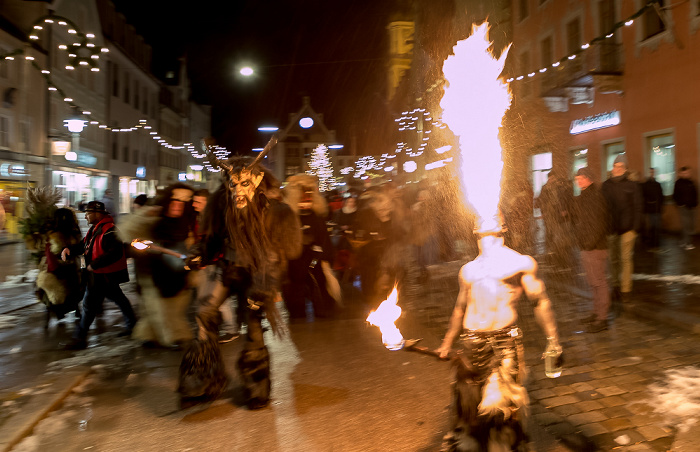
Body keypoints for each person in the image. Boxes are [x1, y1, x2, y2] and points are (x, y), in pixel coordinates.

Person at [178, 152, 302, 409]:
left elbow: (277, 257)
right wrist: (197, 254)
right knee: (204, 313)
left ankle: (256, 387)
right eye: (233, 184)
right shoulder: (222, 206)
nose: (238, 190)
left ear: (256, 181)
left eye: (244, 183)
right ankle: (201, 381)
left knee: (254, 329)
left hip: (258, 275)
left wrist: (263, 289)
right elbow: (210, 240)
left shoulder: (275, 212)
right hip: (229, 269)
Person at [436, 217, 561, 451]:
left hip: (504, 343)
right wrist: (446, 343)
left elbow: (540, 302)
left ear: (503, 228)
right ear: (475, 232)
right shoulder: (469, 270)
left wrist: (553, 340)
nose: (484, 236)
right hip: (471, 342)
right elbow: (460, 308)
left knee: (500, 409)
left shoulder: (519, 263)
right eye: (480, 232)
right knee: (468, 409)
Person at [119, 184, 196, 349]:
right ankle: (165, 336)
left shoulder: (185, 224)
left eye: (181, 204)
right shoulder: (153, 219)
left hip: (176, 272)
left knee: (173, 308)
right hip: (153, 271)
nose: (177, 207)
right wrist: (146, 214)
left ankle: (159, 334)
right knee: (156, 307)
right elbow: (127, 231)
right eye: (174, 203)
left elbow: (189, 245)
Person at [61, 201, 137, 350]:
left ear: (98, 214)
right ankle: (133, 325)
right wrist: (69, 249)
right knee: (119, 299)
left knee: (89, 306)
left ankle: (80, 339)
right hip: (100, 275)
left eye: (88, 213)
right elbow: (84, 245)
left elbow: (114, 253)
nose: (86, 216)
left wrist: (95, 264)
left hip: (102, 275)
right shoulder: (96, 230)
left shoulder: (109, 231)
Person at [282, 174, 339, 320]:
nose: (307, 194)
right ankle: (298, 313)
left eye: (309, 190)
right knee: (296, 286)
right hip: (296, 258)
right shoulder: (290, 215)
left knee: (318, 283)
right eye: (303, 190)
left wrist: (322, 255)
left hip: (314, 257)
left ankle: (322, 311)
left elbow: (322, 237)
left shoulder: (316, 215)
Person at [573, 167, 611, 332]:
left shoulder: (594, 196)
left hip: (595, 247)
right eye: (577, 178)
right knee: (592, 283)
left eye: (581, 178)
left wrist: (588, 243)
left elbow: (598, 223)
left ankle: (602, 318)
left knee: (599, 282)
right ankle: (596, 313)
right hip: (587, 245)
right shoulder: (584, 196)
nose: (578, 181)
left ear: (589, 179)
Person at [602, 154, 643, 304]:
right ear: (612, 168)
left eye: (621, 166)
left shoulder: (632, 186)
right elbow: (602, 208)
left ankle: (626, 290)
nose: (617, 169)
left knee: (625, 259)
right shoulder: (606, 185)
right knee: (613, 260)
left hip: (628, 229)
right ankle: (615, 286)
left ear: (625, 169)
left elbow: (638, 207)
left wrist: (635, 229)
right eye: (615, 166)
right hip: (611, 229)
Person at [35, 208, 84, 328]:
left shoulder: (69, 232)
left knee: (71, 290)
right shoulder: (54, 234)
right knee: (58, 292)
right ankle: (62, 313)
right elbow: (48, 252)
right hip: (56, 267)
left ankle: (69, 312)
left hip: (66, 266)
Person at [673, 166, 698, 250]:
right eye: (684, 173)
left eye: (687, 172)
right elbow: (675, 195)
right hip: (683, 208)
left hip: (691, 207)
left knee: (690, 226)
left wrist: (695, 204)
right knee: (686, 225)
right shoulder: (678, 183)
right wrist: (680, 204)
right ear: (681, 173)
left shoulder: (691, 182)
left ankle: (683, 241)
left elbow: (695, 194)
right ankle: (687, 243)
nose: (686, 174)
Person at [641, 168, 664, 250]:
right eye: (651, 172)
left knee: (656, 225)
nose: (652, 174)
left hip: (655, 208)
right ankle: (653, 241)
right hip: (650, 208)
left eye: (653, 172)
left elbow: (661, 196)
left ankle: (656, 242)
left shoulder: (657, 184)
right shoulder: (645, 185)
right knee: (652, 225)